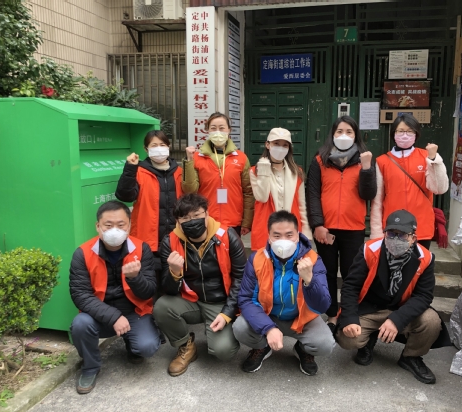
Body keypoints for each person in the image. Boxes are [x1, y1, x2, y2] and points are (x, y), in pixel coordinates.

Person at [336, 209, 448, 384]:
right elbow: (351, 286)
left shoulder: (425, 258)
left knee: (432, 321)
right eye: (391, 233)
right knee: (347, 339)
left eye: (402, 235)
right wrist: (350, 319)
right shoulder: (369, 250)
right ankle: (367, 342)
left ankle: (411, 356)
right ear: (384, 233)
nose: (395, 239)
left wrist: (397, 319)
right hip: (370, 309)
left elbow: (424, 296)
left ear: (413, 237)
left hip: (402, 308)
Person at [69, 201, 160, 394]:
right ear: (98, 226)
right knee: (80, 324)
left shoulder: (141, 248)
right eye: (108, 225)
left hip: (134, 312)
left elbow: (149, 291)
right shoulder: (82, 253)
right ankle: (90, 367)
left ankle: (131, 344)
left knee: (147, 347)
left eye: (121, 225)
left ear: (129, 225)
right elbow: (80, 295)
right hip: (99, 315)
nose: (114, 230)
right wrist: (114, 317)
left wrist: (135, 278)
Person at [153, 193, 246, 377]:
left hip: (220, 303)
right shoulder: (170, 242)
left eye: (196, 215)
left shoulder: (227, 236)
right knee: (162, 306)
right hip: (190, 300)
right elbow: (168, 290)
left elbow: (241, 279)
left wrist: (227, 314)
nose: (192, 221)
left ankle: (221, 331)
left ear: (207, 214)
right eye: (185, 218)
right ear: (178, 221)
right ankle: (186, 345)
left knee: (224, 351)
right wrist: (174, 272)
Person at [233, 211, 335, 376]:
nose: (283, 240)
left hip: (302, 319)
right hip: (268, 315)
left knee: (325, 344)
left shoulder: (313, 259)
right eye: (277, 235)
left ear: (297, 235)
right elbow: (246, 299)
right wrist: (268, 328)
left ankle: (302, 350)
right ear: (269, 237)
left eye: (289, 235)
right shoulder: (257, 259)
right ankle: (262, 347)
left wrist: (310, 281)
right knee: (240, 327)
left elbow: (322, 305)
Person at [306, 115, 376, 332]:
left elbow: (368, 194)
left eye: (349, 132)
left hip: (353, 229)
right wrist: (317, 224)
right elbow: (312, 194)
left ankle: (348, 313)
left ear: (356, 135)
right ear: (332, 134)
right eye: (339, 131)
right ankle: (331, 314)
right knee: (327, 272)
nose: (344, 136)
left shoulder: (364, 160)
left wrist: (367, 169)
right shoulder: (320, 160)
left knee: (350, 273)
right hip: (326, 229)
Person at [370, 114, 449, 249]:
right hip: (393, 228)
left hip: (421, 226)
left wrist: (434, 160)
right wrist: (376, 233)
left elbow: (439, 188)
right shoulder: (382, 161)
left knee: (419, 262)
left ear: (416, 134)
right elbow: (377, 200)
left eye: (410, 131)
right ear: (394, 133)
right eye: (400, 131)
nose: (405, 135)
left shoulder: (425, 156)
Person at [115, 130, 182, 274]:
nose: (159, 149)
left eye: (162, 145)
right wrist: (130, 168)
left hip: (176, 238)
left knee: (173, 277)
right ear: (146, 149)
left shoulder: (179, 172)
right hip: (147, 239)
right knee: (150, 278)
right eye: (154, 145)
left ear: (168, 146)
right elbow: (125, 196)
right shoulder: (139, 171)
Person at [181, 112, 254, 236]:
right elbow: (190, 190)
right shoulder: (197, 157)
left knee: (231, 249)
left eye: (222, 128)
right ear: (208, 130)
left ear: (229, 130)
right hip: (205, 220)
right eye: (213, 128)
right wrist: (189, 161)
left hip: (233, 221)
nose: (217, 132)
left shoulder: (241, 158)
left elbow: (248, 192)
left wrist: (246, 221)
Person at [249, 127, 312, 251]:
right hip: (266, 229)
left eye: (285, 145)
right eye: (276, 144)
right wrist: (264, 170)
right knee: (265, 262)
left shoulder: (297, 172)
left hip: (290, 230)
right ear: (267, 145)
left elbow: (302, 206)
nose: (280, 148)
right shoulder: (255, 171)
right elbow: (262, 197)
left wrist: (306, 233)